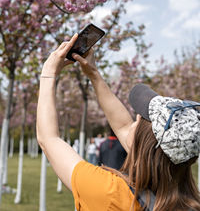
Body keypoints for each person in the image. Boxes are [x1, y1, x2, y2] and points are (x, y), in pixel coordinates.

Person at [37, 34, 200, 211]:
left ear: (145, 145)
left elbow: (49, 139)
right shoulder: (191, 202)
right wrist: (94, 74)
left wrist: (49, 72)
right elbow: (123, 127)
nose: (136, 118)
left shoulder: (111, 194)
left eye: (142, 118)